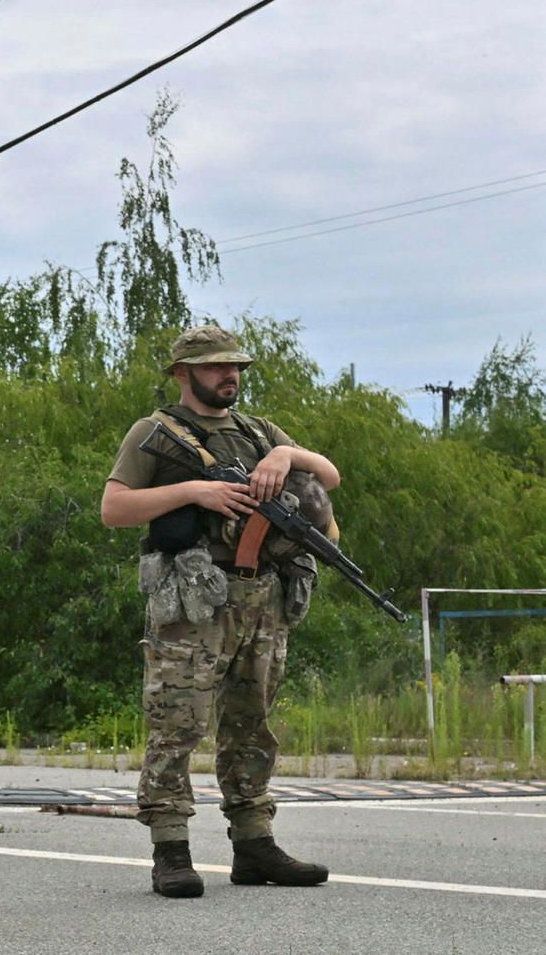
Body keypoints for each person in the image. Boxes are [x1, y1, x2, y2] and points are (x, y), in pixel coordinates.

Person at [100, 324, 336, 899]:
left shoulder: (258, 432)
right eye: (215, 367)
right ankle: (171, 849)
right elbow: (114, 508)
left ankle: (254, 843)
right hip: (192, 601)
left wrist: (286, 453)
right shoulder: (155, 432)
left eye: (234, 367)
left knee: (252, 722)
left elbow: (327, 475)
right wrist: (193, 493)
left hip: (262, 596)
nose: (229, 376)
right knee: (176, 723)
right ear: (183, 374)